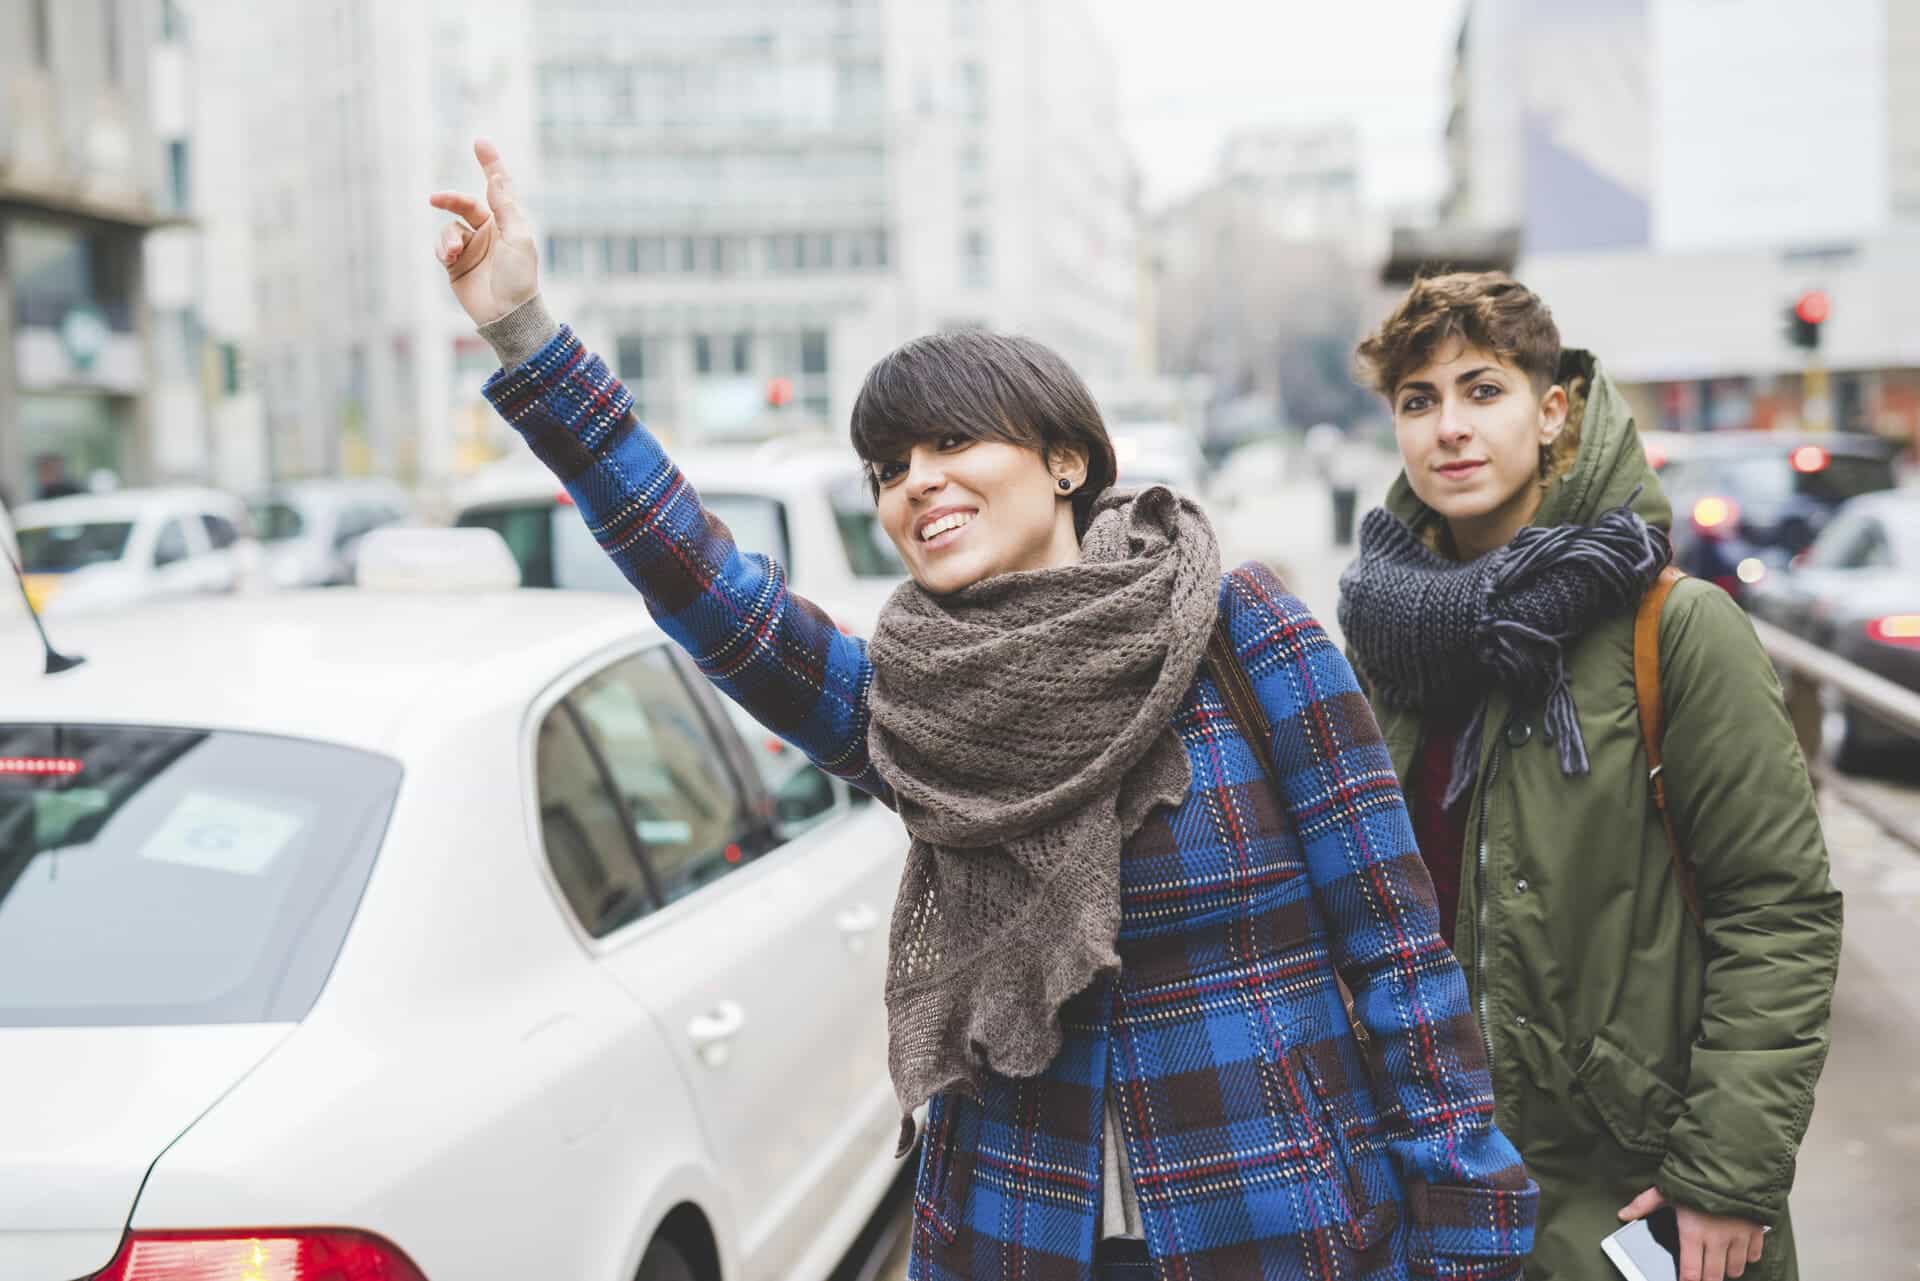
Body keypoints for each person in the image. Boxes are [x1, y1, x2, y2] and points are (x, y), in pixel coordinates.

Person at [431, 141, 1538, 1281]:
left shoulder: (1240, 633)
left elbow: (1402, 958)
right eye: (888, 467)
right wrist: (526, 335)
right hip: (1017, 1240)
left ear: (1066, 460)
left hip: (1279, 1231)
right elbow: (704, 583)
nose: (916, 482)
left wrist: (1462, 1235)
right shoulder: (914, 708)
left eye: (952, 442)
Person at [1337, 273, 1843, 1281]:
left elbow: (1776, 911)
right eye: (1419, 401)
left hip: (1637, 1194)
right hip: (1434, 1191)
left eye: (1483, 391)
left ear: (1552, 408)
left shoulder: (1673, 628)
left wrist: (1725, 1175)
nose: (1450, 429)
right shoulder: (1385, 648)